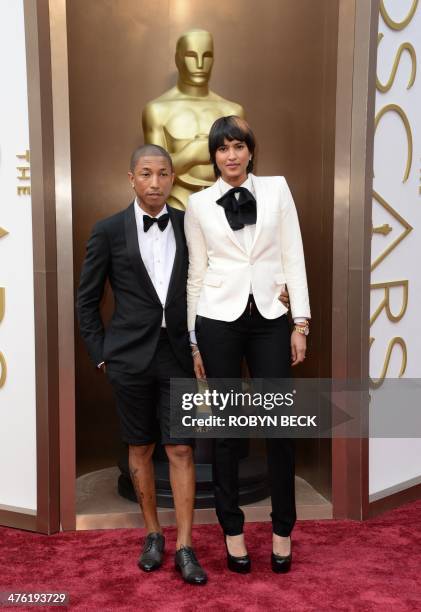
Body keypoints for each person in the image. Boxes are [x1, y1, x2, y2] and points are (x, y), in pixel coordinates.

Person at [184, 116, 310, 574]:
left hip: (272, 319)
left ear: (251, 151)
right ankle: (232, 531)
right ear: (214, 156)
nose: (231, 155)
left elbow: (293, 253)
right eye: (223, 148)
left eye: (238, 146)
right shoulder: (199, 204)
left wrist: (301, 321)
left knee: (280, 427)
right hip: (217, 319)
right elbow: (196, 271)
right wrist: (194, 339)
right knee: (226, 434)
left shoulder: (277, 189)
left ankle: (282, 531)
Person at [77, 144, 207, 585]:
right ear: (131, 178)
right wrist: (101, 353)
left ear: (173, 179)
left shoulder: (192, 226)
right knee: (140, 449)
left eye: (163, 174)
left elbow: (215, 279)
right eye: (146, 174)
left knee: (182, 448)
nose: (155, 183)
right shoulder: (108, 230)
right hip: (129, 359)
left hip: (178, 356)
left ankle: (186, 545)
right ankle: (153, 533)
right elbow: (87, 300)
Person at [142, 29, 244, 210]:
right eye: (191, 56)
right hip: (177, 205)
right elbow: (155, 172)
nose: (199, 64)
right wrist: (191, 154)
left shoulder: (232, 110)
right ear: (177, 59)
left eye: (207, 56)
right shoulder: (157, 110)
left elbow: (243, 167)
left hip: (225, 207)